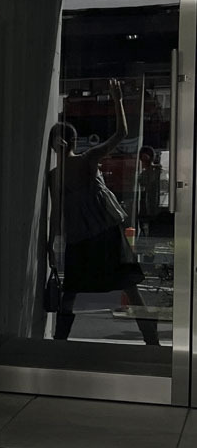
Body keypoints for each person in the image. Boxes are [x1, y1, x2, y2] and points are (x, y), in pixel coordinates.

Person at [47, 79, 159, 346]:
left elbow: (56, 214)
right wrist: (117, 101)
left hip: (82, 239)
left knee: (72, 292)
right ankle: (152, 342)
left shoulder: (60, 173)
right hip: (104, 236)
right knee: (129, 288)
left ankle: (59, 343)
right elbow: (121, 134)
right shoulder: (84, 161)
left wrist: (51, 244)